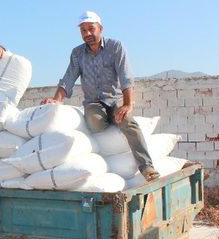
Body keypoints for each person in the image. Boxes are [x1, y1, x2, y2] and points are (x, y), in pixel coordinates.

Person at [42, 11, 160, 181]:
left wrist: (127, 105)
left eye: (91, 29)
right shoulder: (77, 53)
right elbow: (68, 77)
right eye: (83, 30)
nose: (87, 34)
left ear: (100, 28)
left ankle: (147, 167)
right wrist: (56, 100)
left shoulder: (115, 47)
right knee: (95, 123)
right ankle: (109, 121)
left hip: (115, 101)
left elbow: (125, 77)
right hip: (93, 104)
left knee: (129, 123)